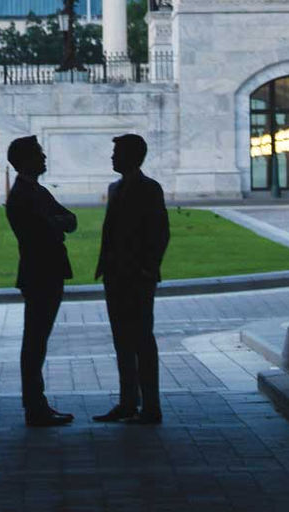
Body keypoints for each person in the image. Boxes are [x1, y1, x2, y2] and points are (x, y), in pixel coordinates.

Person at [92, 133, 170, 425]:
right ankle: (128, 402)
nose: (112, 157)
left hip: (138, 277)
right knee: (122, 340)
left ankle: (151, 406)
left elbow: (160, 231)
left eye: (117, 152)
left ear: (131, 156)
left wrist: (149, 268)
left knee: (142, 341)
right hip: (115, 276)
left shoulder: (150, 189)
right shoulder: (115, 188)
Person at [5, 135, 77, 427]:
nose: (44, 158)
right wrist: (56, 224)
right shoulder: (24, 194)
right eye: (39, 154)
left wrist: (56, 224)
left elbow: (68, 220)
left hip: (46, 271)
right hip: (40, 272)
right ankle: (35, 405)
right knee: (35, 341)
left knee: (37, 340)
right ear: (26, 160)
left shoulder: (36, 191)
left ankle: (36, 402)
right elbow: (44, 229)